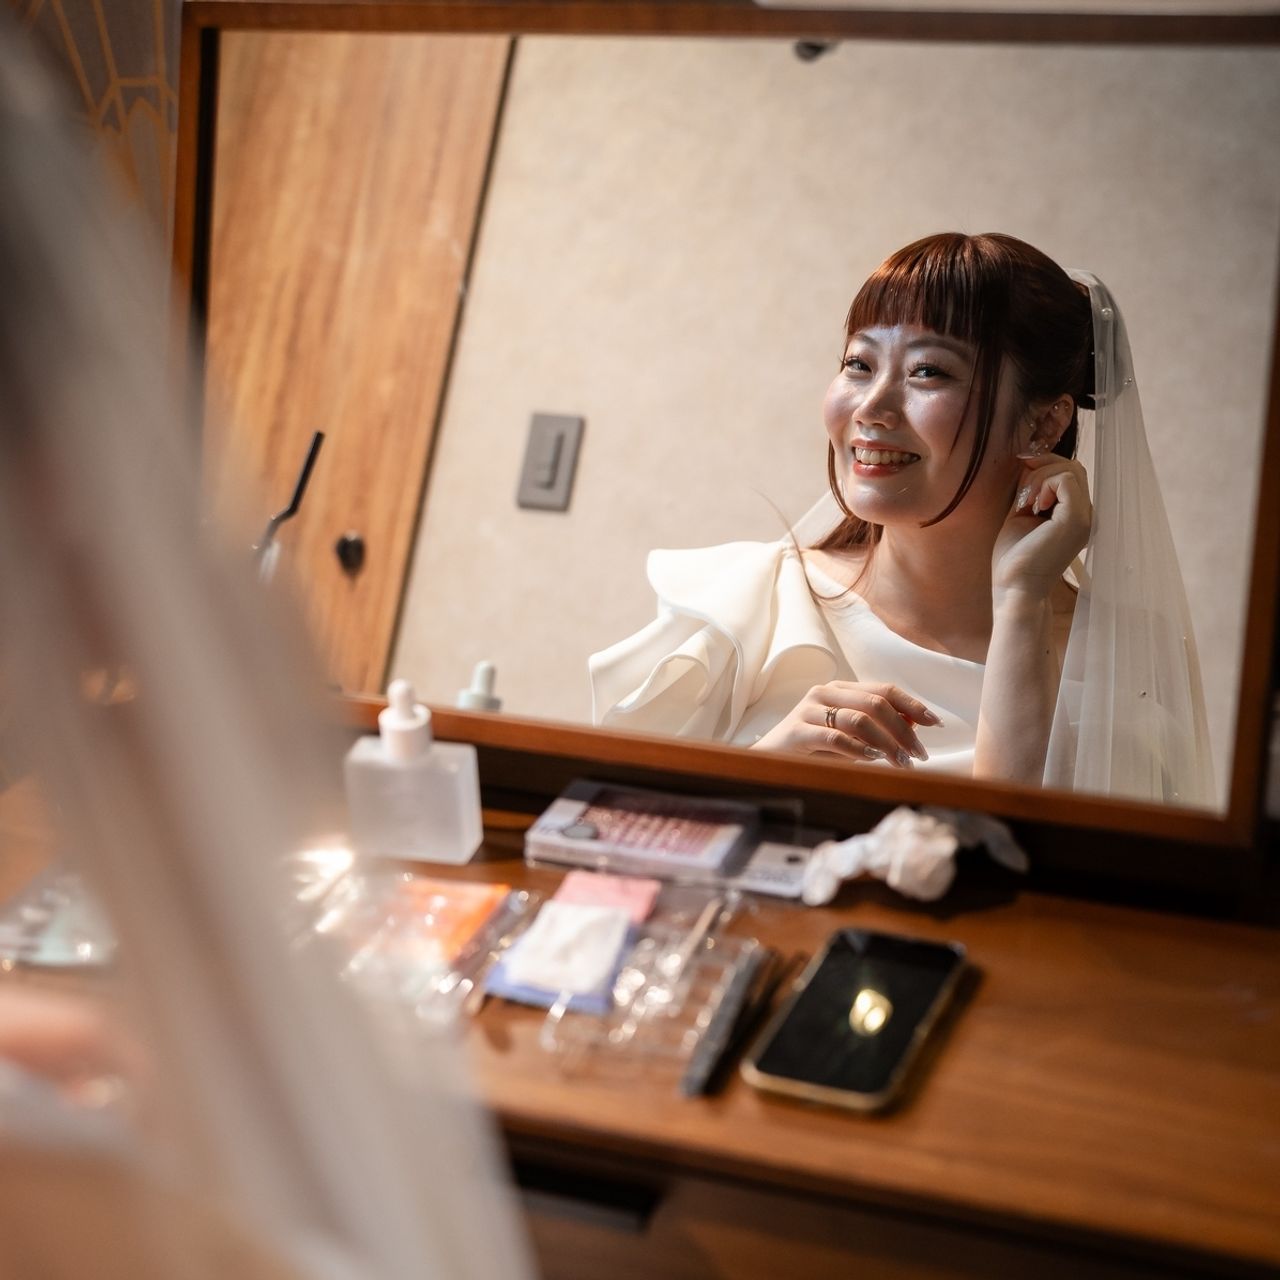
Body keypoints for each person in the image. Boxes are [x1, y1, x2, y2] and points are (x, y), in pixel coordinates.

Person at [590, 233, 1214, 806]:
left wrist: (1022, 599)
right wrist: (766, 770)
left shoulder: (1125, 664)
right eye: (859, 364)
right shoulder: (749, 606)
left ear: (1044, 422)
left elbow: (1025, 856)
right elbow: (605, 842)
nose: (872, 407)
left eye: (927, 371)